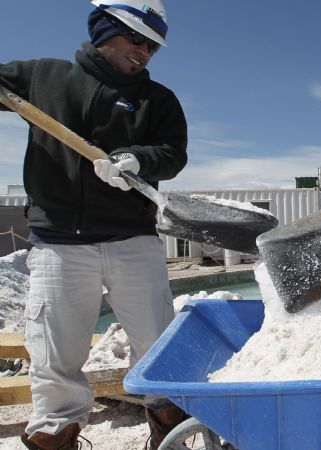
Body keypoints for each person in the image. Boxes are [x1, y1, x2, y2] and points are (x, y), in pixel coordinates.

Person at [0, 1, 190, 448]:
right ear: (105, 29)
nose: (145, 51)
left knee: (157, 346)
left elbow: (172, 155)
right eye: (137, 39)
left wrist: (137, 159)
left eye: (153, 46)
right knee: (55, 356)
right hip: (59, 244)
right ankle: (56, 435)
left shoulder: (157, 100)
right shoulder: (44, 77)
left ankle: (169, 434)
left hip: (133, 241)